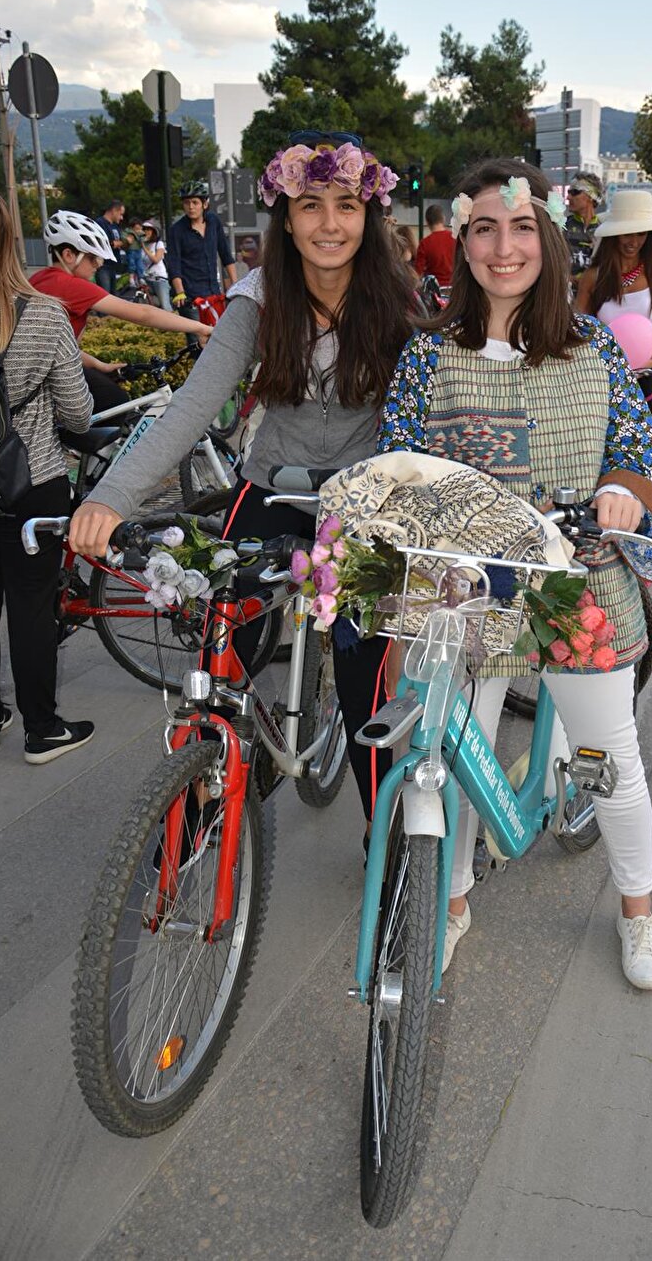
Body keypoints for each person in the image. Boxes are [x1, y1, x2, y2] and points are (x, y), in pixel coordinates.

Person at [378, 158, 652, 988]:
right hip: (464, 596)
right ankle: (450, 903)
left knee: (608, 757)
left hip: (572, 588)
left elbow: (644, 459)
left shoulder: (593, 352)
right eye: (484, 228)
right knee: (447, 761)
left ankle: (638, 912)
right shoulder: (426, 356)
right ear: (462, 243)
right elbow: (394, 470)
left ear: (548, 240)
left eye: (521, 227)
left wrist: (622, 493)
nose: (503, 246)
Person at [68, 133, 415, 826]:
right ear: (285, 217)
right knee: (220, 652)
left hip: (364, 500)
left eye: (346, 206)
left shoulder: (398, 302)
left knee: (365, 680)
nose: (328, 223)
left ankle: (389, 846)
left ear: (369, 216)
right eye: (309, 205)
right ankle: (191, 830)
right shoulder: (257, 300)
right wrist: (108, 497)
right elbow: (190, 408)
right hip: (273, 484)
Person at [0, 184, 95, 763]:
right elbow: (78, 413)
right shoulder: (42, 313)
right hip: (32, 480)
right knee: (31, 604)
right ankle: (42, 729)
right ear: (5, 239)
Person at [31, 211, 211, 413]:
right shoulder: (70, 285)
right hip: (48, 379)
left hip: (34, 378)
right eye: (93, 258)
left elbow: (56, 348)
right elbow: (143, 314)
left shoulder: (40, 278)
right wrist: (201, 328)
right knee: (116, 402)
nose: (98, 265)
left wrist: (99, 365)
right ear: (68, 255)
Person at [575, 189, 652, 453]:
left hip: (651, 371)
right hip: (606, 373)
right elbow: (579, 328)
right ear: (614, 235)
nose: (633, 241)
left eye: (641, 233)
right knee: (604, 450)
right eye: (627, 233)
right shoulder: (593, 277)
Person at [168, 180, 237, 319]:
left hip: (213, 293)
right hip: (190, 297)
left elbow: (226, 255)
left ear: (204, 204)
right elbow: (174, 264)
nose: (191, 207)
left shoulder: (213, 221)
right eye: (186, 203)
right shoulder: (177, 230)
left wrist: (236, 286)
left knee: (217, 331)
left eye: (195, 202)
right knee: (197, 333)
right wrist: (180, 292)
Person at [564, 171, 604, 278]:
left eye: (575, 192)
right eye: (568, 192)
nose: (568, 197)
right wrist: (568, 278)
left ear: (591, 196)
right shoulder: (561, 227)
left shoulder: (604, 231)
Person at [414, 204, 456, 286]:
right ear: (443, 218)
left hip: (434, 288)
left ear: (427, 222)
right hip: (455, 285)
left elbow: (418, 272)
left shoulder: (425, 243)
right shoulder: (455, 239)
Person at [138, 219, 172, 310]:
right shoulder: (143, 245)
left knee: (165, 305)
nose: (146, 232)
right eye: (144, 229)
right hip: (148, 279)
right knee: (150, 304)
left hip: (159, 278)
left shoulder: (158, 244)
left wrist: (144, 248)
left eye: (148, 229)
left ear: (153, 231)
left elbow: (156, 259)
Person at [94, 199, 125, 293]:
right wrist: (119, 243)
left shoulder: (115, 226)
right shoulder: (100, 223)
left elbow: (120, 242)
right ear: (114, 210)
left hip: (113, 266)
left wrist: (119, 243)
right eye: (120, 214)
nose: (121, 217)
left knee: (113, 294)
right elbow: (106, 243)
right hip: (103, 266)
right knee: (105, 294)